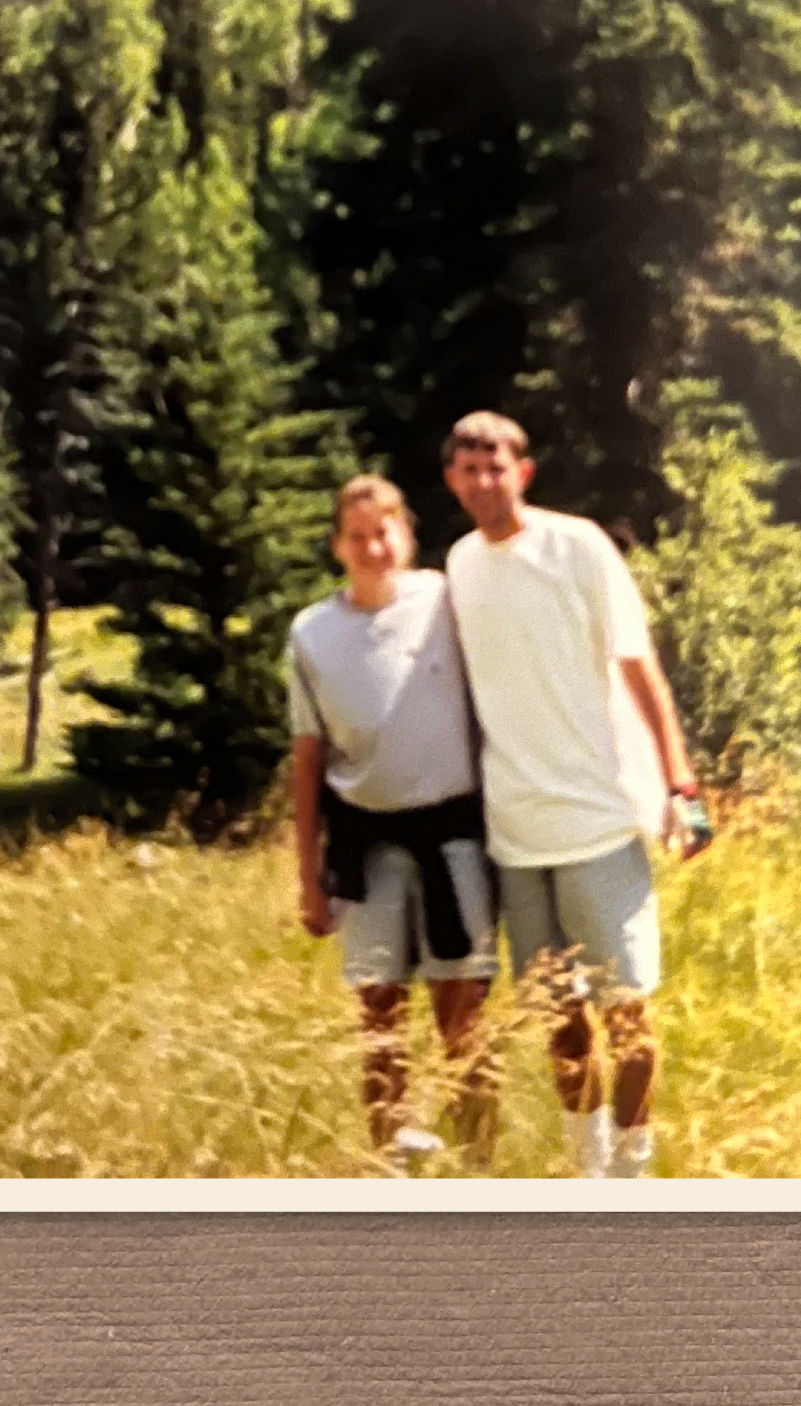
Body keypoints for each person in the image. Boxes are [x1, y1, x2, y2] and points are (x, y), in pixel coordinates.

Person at [441, 411, 711, 1180]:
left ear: (522, 472)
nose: (483, 479)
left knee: (628, 1013)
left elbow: (640, 666)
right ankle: (588, 1172)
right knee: (559, 1020)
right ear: (452, 482)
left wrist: (682, 791)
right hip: (516, 838)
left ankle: (635, 1173)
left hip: (600, 822)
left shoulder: (579, 546)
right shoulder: (460, 564)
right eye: (468, 468)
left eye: (497, 464)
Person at [287, 474, 499, 1167]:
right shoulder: (313, 633)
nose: (374, 547)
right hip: (367, 843)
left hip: (453, 836)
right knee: (379, 1014)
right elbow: (308, 761)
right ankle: (392, 1164)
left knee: (461, 1008)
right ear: (336, 546)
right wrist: (309, 881)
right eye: (358, 536)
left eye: (385, 532)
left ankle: (480, 1160)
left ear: (406, 535)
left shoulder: (445, 600)